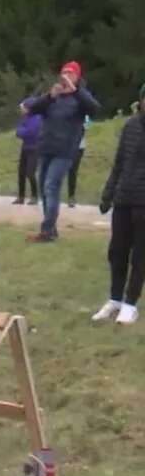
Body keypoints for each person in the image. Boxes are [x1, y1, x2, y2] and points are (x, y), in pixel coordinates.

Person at [25, 61, 101, 242]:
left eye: (70, 73)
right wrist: (49, 97)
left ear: (77, 76)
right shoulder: (54, 96)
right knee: (44, 188)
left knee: (51, 186)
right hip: (45, 148)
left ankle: (46, 231)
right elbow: (31, 108)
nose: (66, 75)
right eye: (64, 72)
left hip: (65, 150)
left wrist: (75, 90)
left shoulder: (79, 97)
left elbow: (94, 109)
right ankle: (51, 230)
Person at [93, 84, 145, 326]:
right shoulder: (131, 126)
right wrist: (108, 193)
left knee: (140, 255)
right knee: (117, 252)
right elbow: (119, 162)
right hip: (124, 198)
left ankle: (130, 304)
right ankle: (114, 299)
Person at [13, 99, 43, 205]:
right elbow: (18, 131)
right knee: (21, 172)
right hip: (25, 147)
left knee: (30, 173)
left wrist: (22, 131)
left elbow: (31, 132)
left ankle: (35, 196)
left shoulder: (37, 118)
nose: (22, 110)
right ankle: (21, 197)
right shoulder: (25, 118)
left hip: (35, 148)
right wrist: (22, 131)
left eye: (24, 108)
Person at [68, 115, 91, 208]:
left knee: (72, 170)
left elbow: (88, 125)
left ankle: (71, 197)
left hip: (78, 146)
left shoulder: (84, 113)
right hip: (63, 144)